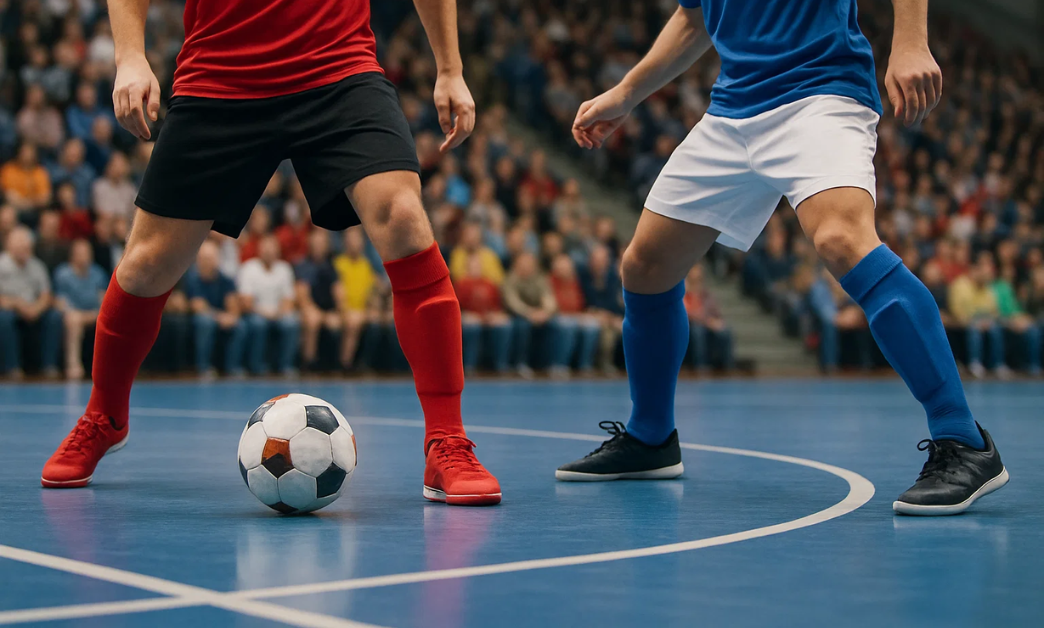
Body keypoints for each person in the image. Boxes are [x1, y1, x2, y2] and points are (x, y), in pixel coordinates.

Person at [40, 0, 501, 506]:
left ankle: (446, 439)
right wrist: (130, 56)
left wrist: (450, 68)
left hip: (337, 66)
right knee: (146, 263)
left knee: (404, 217)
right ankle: (104, 416)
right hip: (220, 75)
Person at [558, 0, 1006, 515]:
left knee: (841, 239)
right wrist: (625, 93)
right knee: (645, 267)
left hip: (820, 93)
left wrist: (910, 42)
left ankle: (963, 438)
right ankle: (650, 437)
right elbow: (693, 18)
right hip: (731, 110)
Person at [0, 227, 62, 379]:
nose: (24, 249)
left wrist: (36, 309)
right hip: (10, 308)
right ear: (9, 246)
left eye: (27, 246)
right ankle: (12, 367)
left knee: (54, 316)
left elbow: (46, 295)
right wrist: (16, 304)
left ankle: (49, 366)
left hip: (34, 308)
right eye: (20, 246)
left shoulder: (37, 266)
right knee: (4, 318)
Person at [237, 235, 300, 376]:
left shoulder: (285, 268)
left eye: (272, 249)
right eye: (266, 248)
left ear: (278, 251)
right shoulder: (248, 268)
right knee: (259, 324)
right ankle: (256, 366)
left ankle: (286, 366)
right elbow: (246, 303)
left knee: (291, 323)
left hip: (279, 314)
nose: (269, 252)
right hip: (255, 313)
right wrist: (265, 313)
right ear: (259, 250)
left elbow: (289, 300)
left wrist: (279, 313)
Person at [184, 240, 247, 378]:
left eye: (211, 258)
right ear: (198, 260)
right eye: (204, 258)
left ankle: (232, 368)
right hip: (198, 318)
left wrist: (231, 317)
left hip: (219, 316)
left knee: (240, 325)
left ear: (217, 259)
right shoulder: (192, 278)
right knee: (205, 322)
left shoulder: (225, 279)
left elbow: (233, 304)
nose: (208, 262)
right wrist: (220, 317)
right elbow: (198, 306)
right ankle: (203, 367)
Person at [54, 239, 109, 380]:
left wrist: (98, 312)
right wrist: (75, 314)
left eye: (87, 253)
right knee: (73, 321)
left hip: (95, 313)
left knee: (111, 319)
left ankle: (109, 366)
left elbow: (104, 298)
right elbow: (61, 302)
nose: (85, 256)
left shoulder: (98, 273)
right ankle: (73, 366)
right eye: (81, 253)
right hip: (74, 315)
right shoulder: (63, 273)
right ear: (73, 255)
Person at [949, 253, 1007, 379]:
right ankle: (974, 363)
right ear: (975, 270)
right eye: (984, 272)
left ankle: (997, 364)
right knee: (974, 329)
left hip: (984, 321)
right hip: (963, 322)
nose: (987, 276)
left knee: (996, 329)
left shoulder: (988, 288)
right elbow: (957, 312)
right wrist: (976, 321)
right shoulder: (960, 285)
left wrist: (988, 321)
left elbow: (994, 311)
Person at [502, 251, 557, 378]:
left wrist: (545, 312)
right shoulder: (510, 279)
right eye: (523, 264)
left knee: (555, 325)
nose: (526, 267)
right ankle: (521, 363)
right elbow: (513, 302)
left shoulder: (540, 278)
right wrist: (530, 313)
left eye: (529, 264)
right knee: (522, 327)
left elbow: (548, 298)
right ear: (516, 265)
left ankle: (552, 364)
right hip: (517, 316)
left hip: (539, 315)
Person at [296, 230, 343, 371]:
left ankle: (340, 365)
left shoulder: (332, 267)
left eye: (321, 244)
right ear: (310, 245)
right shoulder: (303, 266)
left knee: (340, 322)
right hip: (310, 309)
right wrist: (313, 311)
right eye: (315, 244)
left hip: (328, 310)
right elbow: (302, 294)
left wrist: (340, 310)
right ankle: (308, 363)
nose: (318, 247)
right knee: (313, 320)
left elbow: (338, 291)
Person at [333, 228, 377, 371]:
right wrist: (344, 310)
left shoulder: (366, 265)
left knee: (377, 319)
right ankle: (345, 365)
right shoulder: (338, 263)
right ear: (345, 242)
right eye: (351, 240)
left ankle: (368, 363)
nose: (355, 243)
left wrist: (373, 307)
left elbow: (373, 290)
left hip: (362, 310)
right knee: (353, 321)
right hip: (343, 310)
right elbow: (337, 291)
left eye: (357, 240)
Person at [683, 265, 734, 371]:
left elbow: (716, 313)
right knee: (697, 331)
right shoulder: (684, 294)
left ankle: (727, 367)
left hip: (708, 326)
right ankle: (700, 367)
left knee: (725, 331)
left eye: (699, 278)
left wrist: (718, 322)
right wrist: (707, 321)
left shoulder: (706, 295)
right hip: (691, 326)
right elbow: (687, 314)